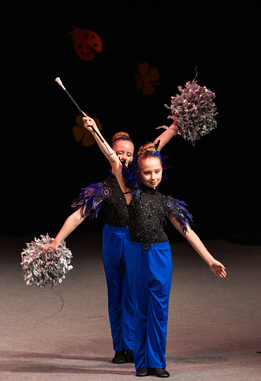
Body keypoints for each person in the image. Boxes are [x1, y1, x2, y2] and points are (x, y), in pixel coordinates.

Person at [85, 120, 227, 378]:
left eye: (157, 172)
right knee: (140, 309)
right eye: (148, 173)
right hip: (136, 254)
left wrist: (210, 259)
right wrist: (95, 130)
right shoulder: (130, 193)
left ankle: (158, 362)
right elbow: (113, 159)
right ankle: (142, 363)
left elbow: (187, 231)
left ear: (162, 170)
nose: (153, 177)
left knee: (159, 310)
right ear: (138, 174)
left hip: (161, 256)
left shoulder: (166, 202)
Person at [44, 117, 177, 364]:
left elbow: (157, 145)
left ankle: (133, 345)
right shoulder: (105, 187)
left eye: (129, 154)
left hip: (136, 241)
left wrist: (174, 127)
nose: (124, 157)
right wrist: (56, 241)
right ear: (111, 154)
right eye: (119, 153)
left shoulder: (137, 182)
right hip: (113, 240)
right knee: (116, 293)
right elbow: (79, 215)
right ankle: (120, 347)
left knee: (134, 293)